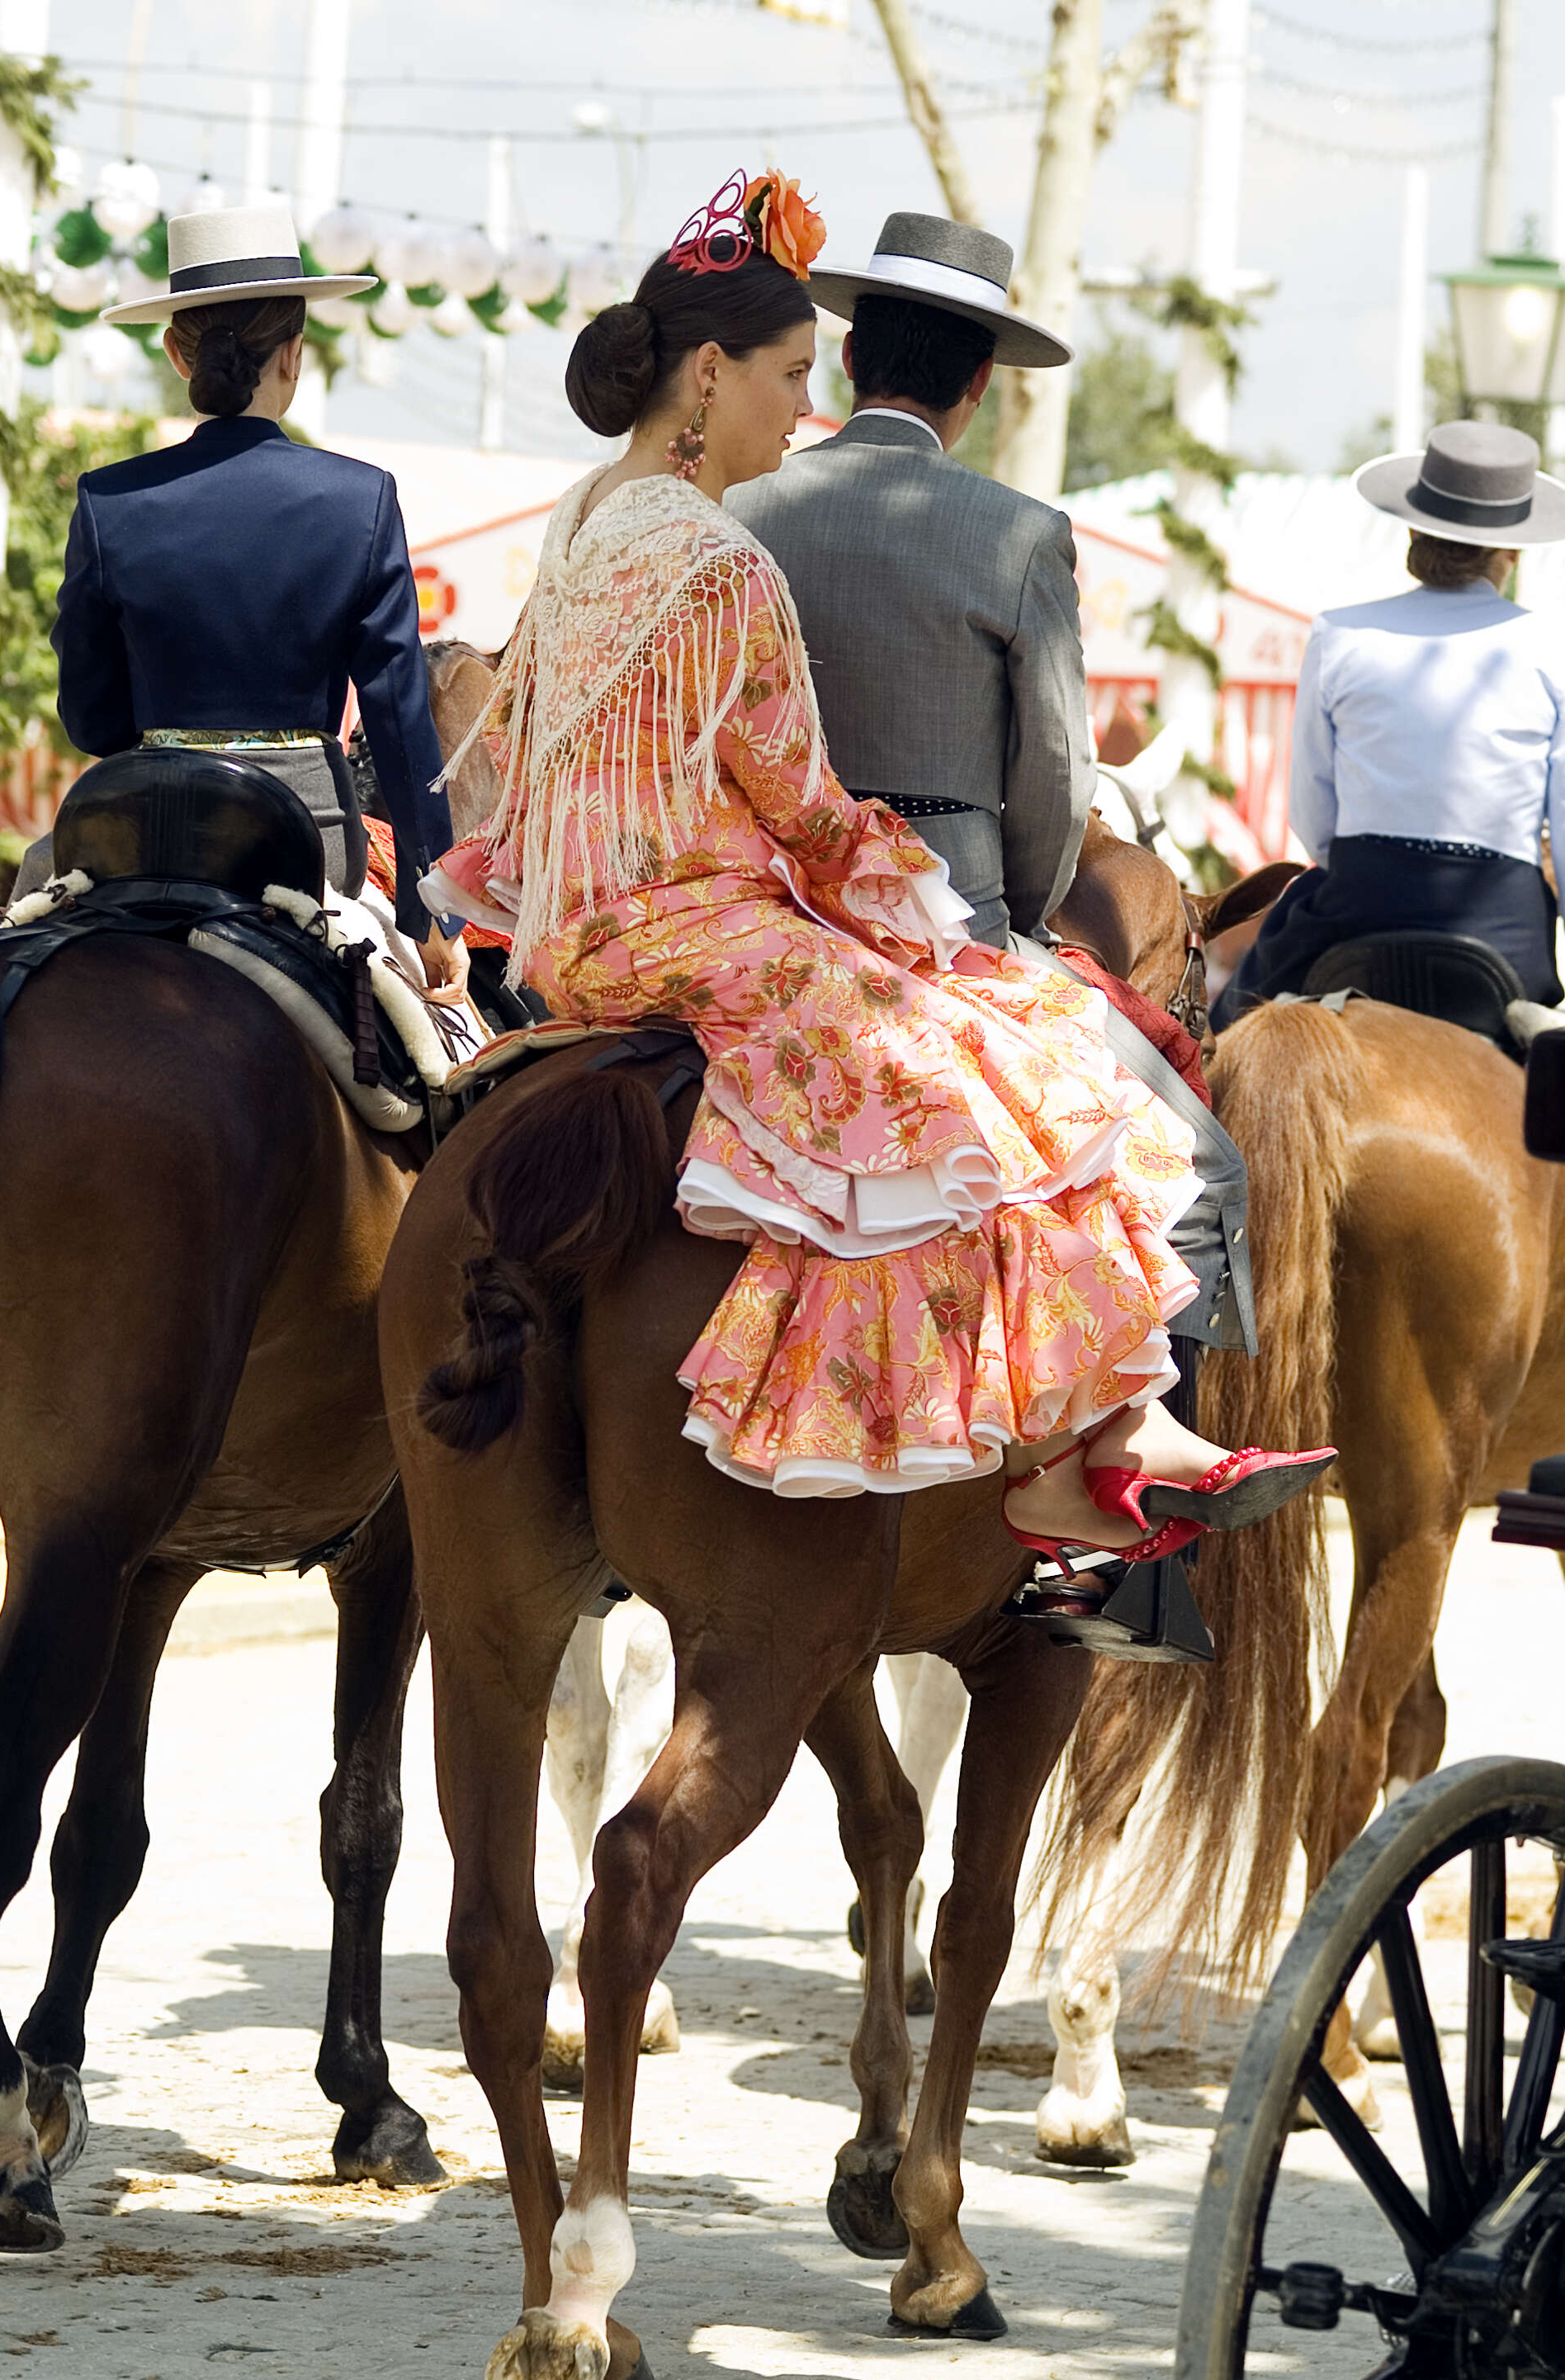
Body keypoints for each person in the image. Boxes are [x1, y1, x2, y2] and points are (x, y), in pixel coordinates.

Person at [425, 168, 1331, 1558]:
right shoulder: (754, 559)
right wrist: (933, 922)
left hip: (570, 927)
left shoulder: (589, 518)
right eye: (786, 379)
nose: (803, 408)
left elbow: (528, 737)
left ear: (863, 350)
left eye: (814, 373)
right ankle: (1101, 1458)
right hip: (717, 919)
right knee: (1050, 1083)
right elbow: (824, 805)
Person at [48, 201, 465, 994]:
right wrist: (431, 912)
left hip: (139, 834)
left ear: (177, 354)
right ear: (295, 356)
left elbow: (92, 722)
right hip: (303, 842)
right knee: (435, 1075)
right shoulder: (361, 501)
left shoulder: (109, 500)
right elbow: (402, 729)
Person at [729, 210, 1090, 949]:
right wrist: (1011, 917)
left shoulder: (736, 504)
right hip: (947, 920)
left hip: (753, 904)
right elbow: (1056, 774)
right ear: (980, 380)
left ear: (851, 356)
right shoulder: (1023, 535)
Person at [1216, 419, 1565, 1029]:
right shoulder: (1551, 642)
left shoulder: (1339, 632)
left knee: (1223, 1032)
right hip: (1501, 918)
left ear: (1414, 526)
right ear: (1510, 550)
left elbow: (1312, 821)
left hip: (1361, 897)